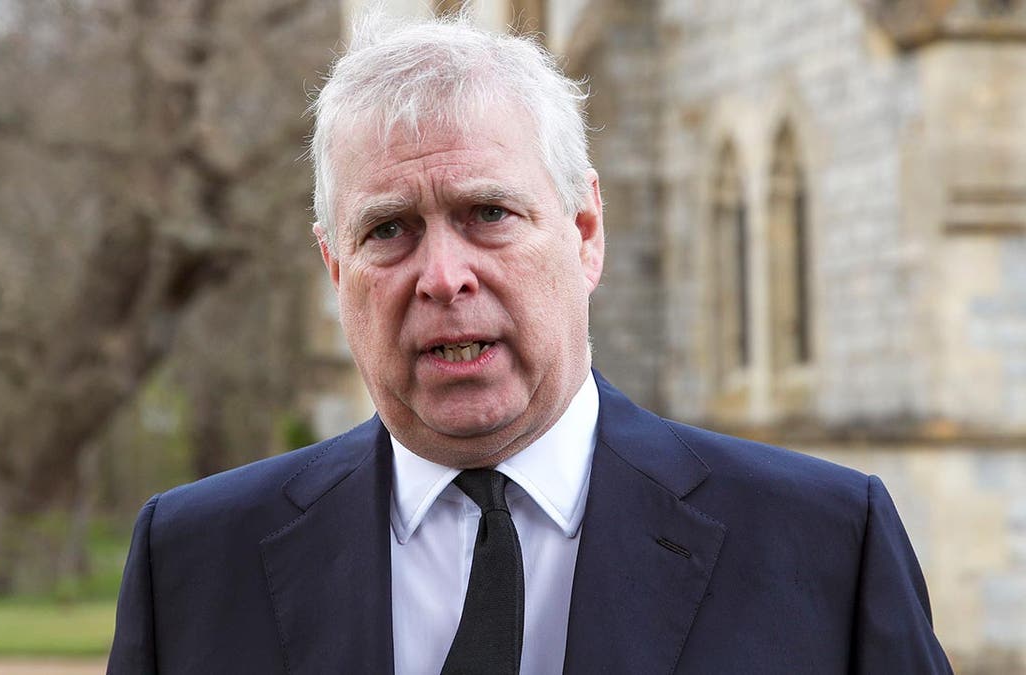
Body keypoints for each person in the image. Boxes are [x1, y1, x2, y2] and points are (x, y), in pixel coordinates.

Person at [108, 13, 953, 675]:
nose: (444, 277)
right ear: (336, 267)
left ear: (585, 232)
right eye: (390, 229)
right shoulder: (190, 565)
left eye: (488, 213)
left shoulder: (826, 545)